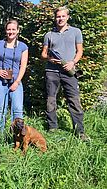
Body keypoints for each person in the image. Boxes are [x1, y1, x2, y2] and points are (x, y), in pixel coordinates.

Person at [41, 6, 89, 141]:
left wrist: (72, 62)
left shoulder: (76, 32)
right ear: (55, 18)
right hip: (51, 71)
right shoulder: (49, 35)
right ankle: (52, 129)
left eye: (63, 16)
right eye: (58, 16)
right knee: (51, 100)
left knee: (74, 100)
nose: (60, 19)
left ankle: (80, 131)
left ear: (67, 17)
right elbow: (43, 54)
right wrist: (50, 59)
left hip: (70, 71)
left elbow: (80, 51)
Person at [0, 19, 28, 132]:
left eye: (13, 29)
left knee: (17, 109)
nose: (11, 32)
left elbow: (23, 66)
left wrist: (16, 82)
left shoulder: (23, 47)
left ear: (18, 31)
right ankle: (0, 135)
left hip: (16, 81)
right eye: (8, 29)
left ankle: (17, 135)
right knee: (1, 109)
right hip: (0, 81)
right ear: (5, 30)